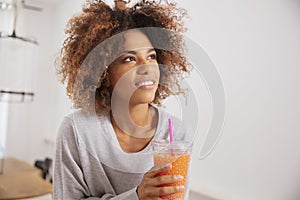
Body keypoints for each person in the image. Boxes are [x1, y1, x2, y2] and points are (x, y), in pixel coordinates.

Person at [53, 0, 192, 199]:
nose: (147, 67)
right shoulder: (76, 131)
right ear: (103, 73)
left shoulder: (177, 132)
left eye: (151, 56)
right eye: (129, 59)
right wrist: (136, 196)